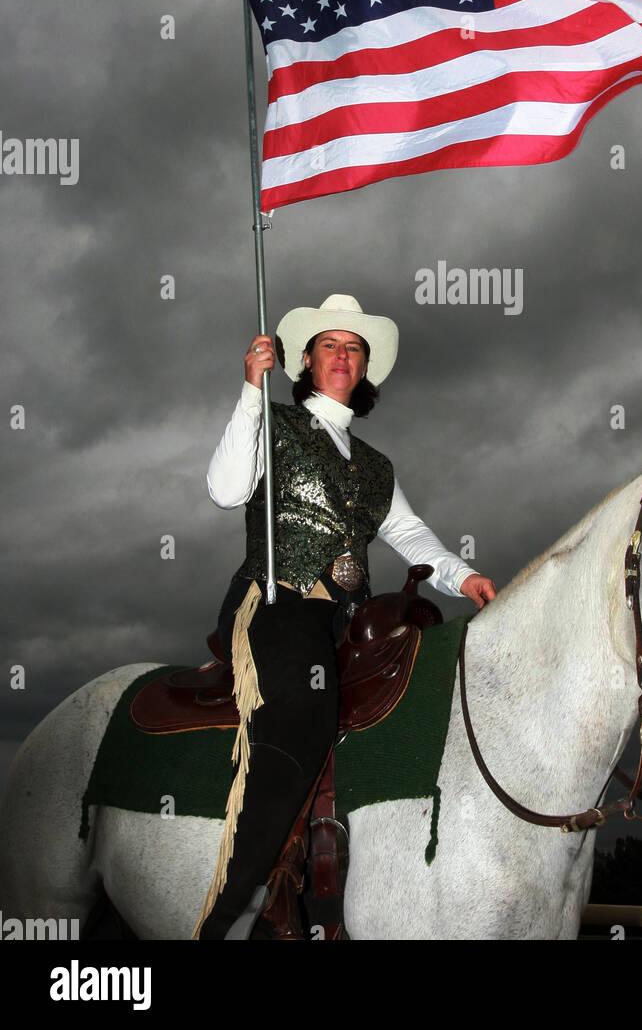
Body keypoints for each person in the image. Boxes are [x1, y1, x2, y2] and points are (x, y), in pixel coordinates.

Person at [193, 294, 496, 940]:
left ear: (363, 370)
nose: (342, 356)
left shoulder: (377, 468)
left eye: (353, 349)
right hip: (277, 601)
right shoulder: (274, 422)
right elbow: (223, 490)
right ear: (305, 360)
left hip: (348, 620)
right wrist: (251, 390)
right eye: (329, 345)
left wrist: (462, 576)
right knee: (302, 710)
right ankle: (233, 915)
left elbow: (411, 536)